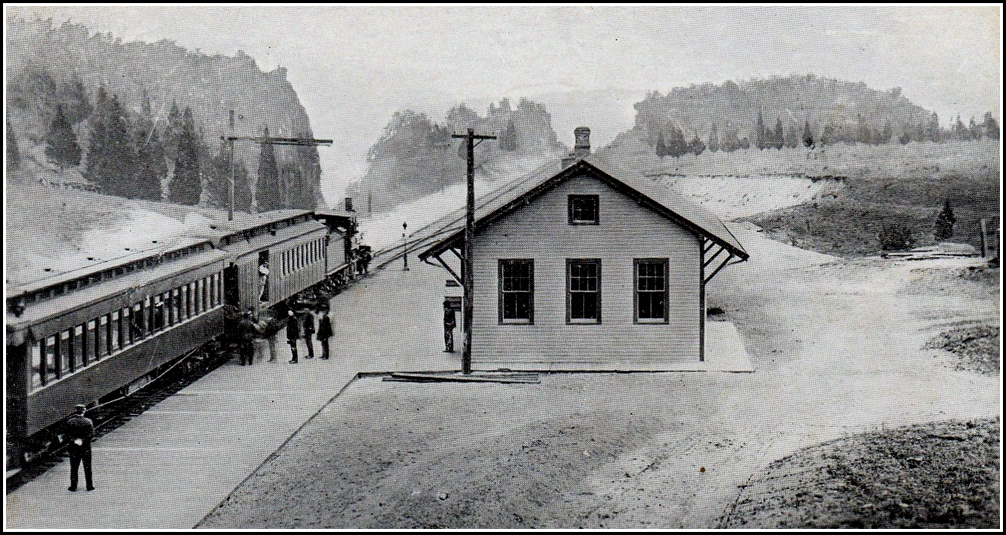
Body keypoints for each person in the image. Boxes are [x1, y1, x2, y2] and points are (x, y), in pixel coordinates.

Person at [66, 404, 95, 491]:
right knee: (87, 467)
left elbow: (67, 435)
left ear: (76, 411)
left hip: (74, 448)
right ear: (84, 411)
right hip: (85, 447)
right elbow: (91, 434)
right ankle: (89, 486)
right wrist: (82, 440)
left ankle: (73, 486)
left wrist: (75, 440)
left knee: (74, 467)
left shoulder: (70, 422)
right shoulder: (88, 421)